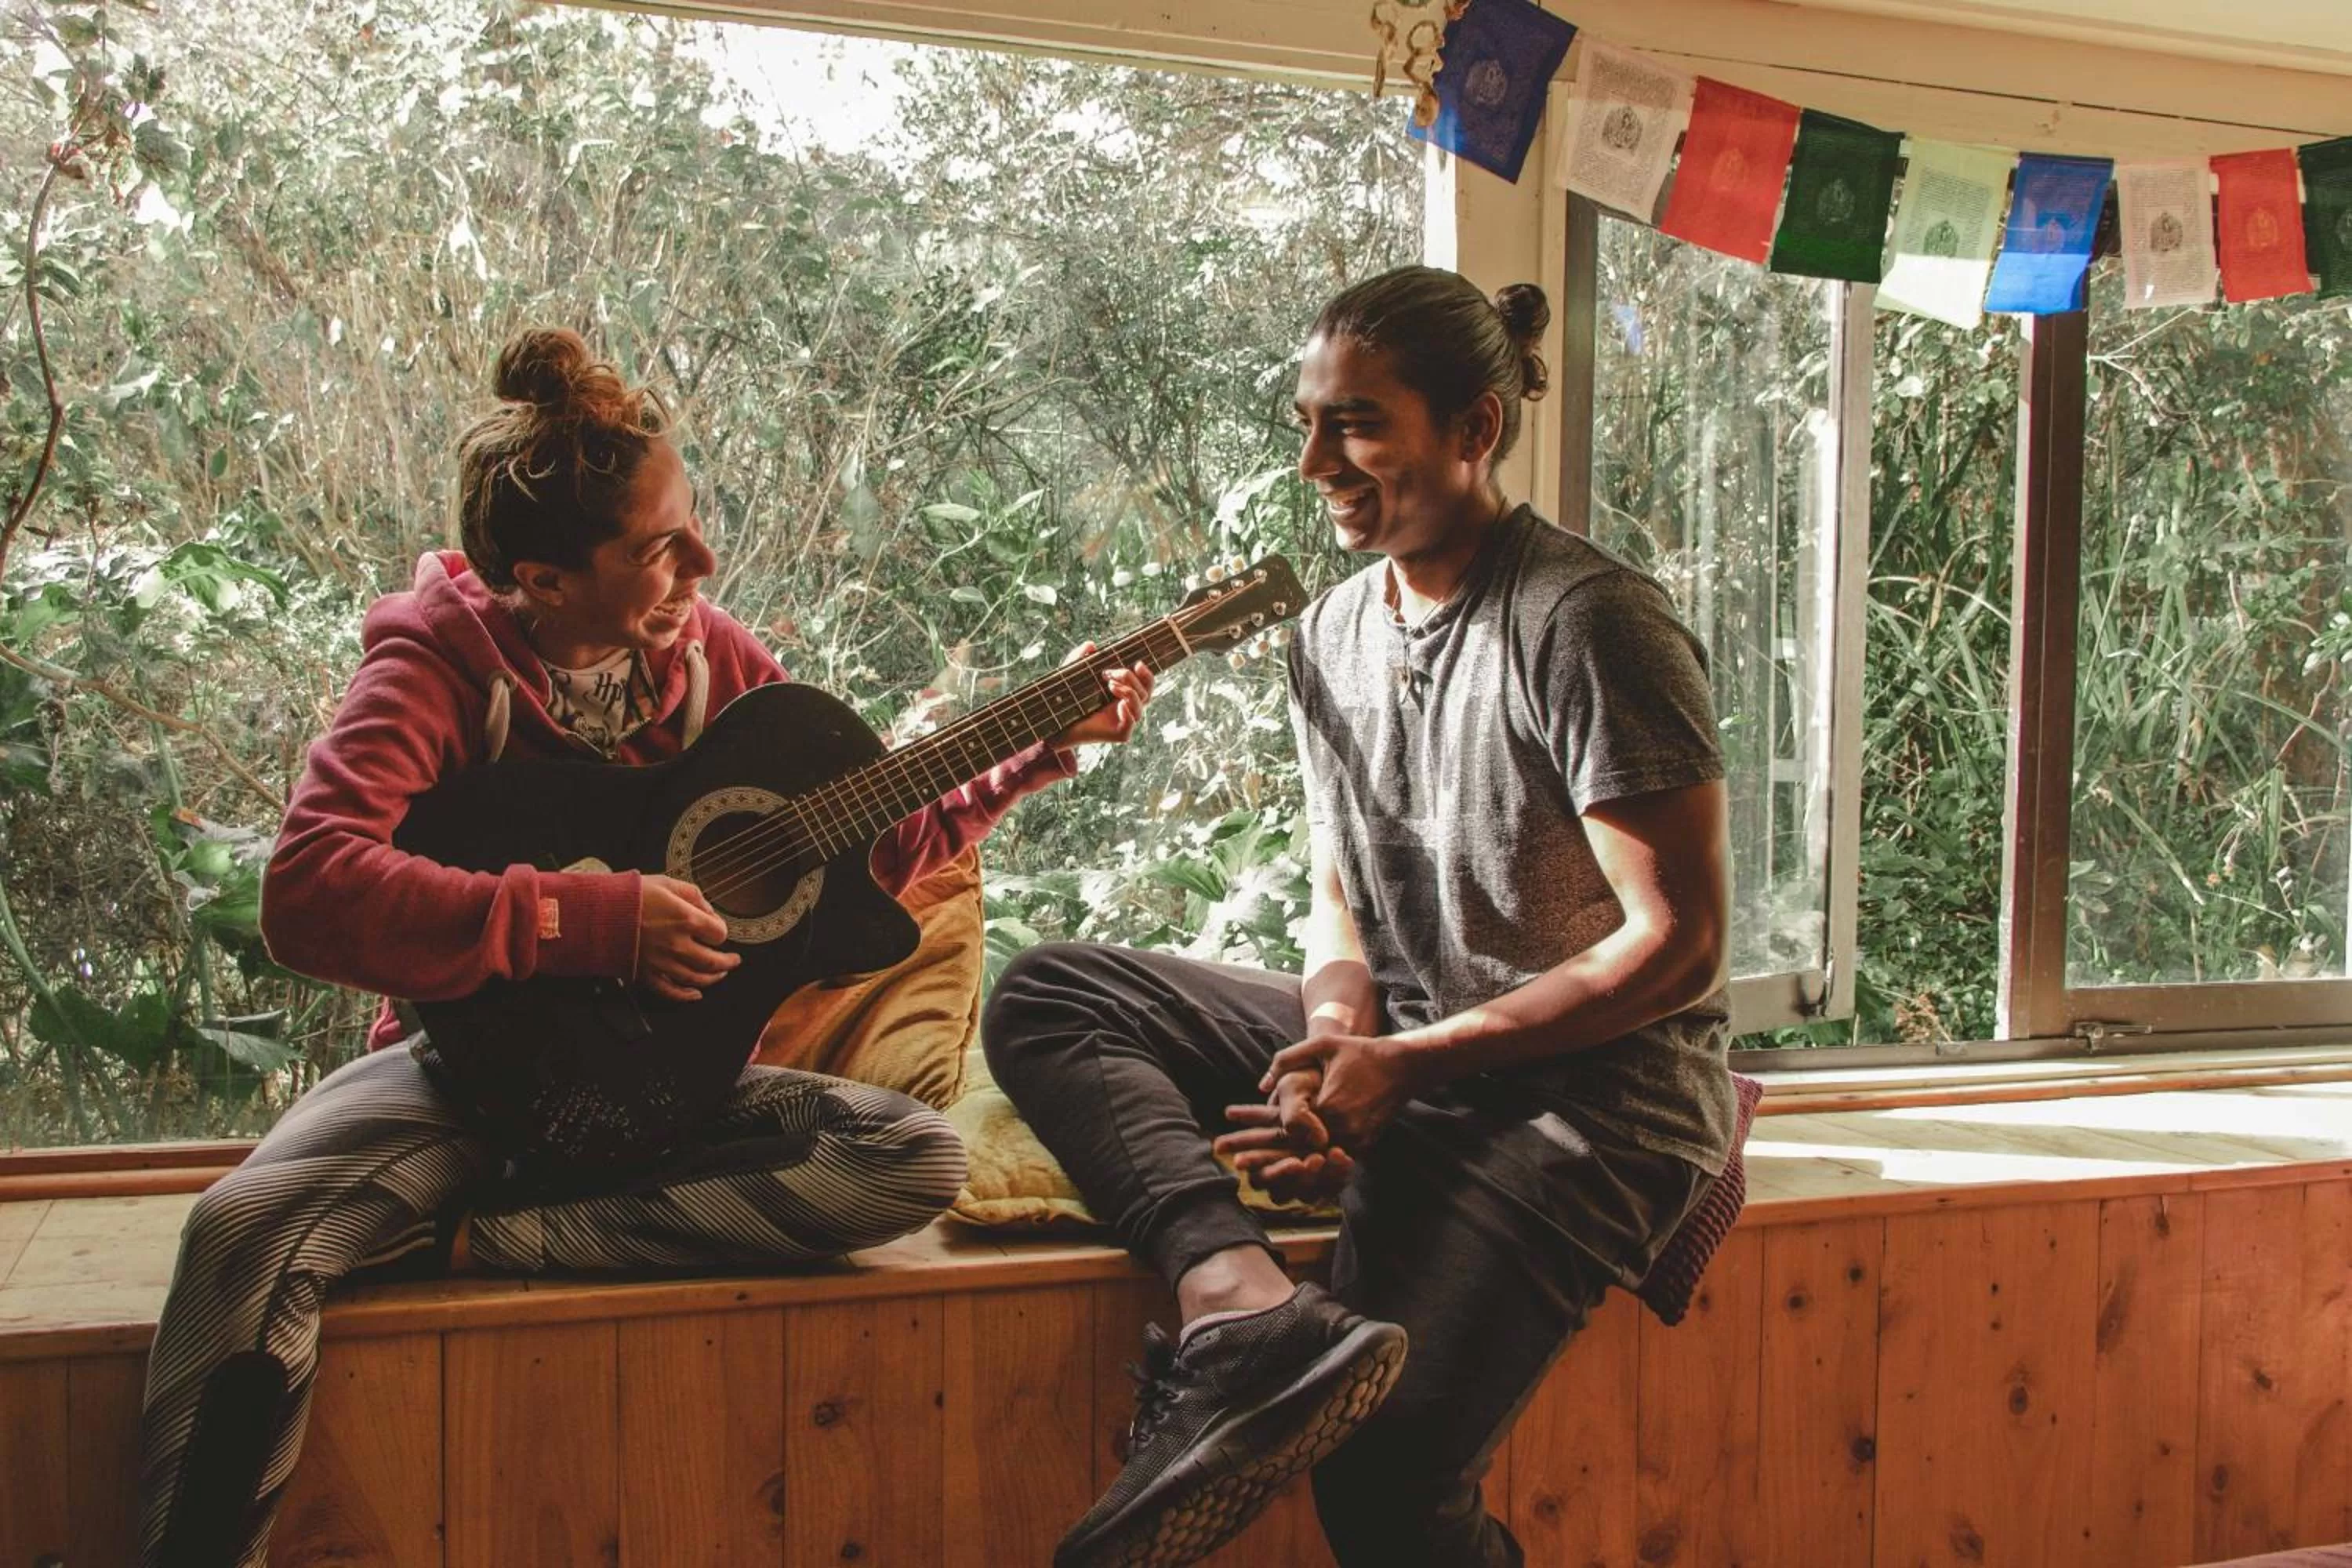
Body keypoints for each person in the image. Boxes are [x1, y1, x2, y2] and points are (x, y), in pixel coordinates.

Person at [132, 327, 1153, 1568]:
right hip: (466, 1081)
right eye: (659, 545)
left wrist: (1038, 748)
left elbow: (856, 858)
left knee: (903, 1165)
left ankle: (486, 1238)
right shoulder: (437, 670)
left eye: (694, 525)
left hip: (667, 1100)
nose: (702, 565)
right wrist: (586, 922)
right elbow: (311, 891)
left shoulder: (720, 667)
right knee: (243, 1235)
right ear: (542, 578)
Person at [982, 265, 1735, 1568]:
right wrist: (1331, 1050)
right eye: (1308, 422)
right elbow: (1346, 894)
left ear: (1476, 430)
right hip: (1420, 1047)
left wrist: (1408, 1065)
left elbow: (1679, 946)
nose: (1316, 459)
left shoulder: (1588, 622)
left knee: (1383, 1486)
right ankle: (1238, 1311)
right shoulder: (1330, 631)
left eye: (1359, 423)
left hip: (1591, 1102)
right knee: (1053, 990)